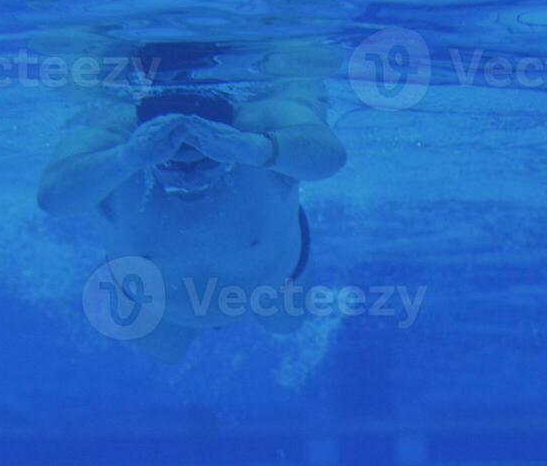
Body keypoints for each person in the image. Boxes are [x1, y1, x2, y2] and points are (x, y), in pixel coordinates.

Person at [37, 45, 346, 361]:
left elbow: (331, 156)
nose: (189, 179)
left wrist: (256, 150)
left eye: (205, 161)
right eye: (171, 164)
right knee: (166, 355)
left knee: (287, 327)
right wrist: (124, 160)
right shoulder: (114, 138)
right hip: (159, 307)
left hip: (277, 284)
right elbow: (52, 198)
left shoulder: (259, 125)